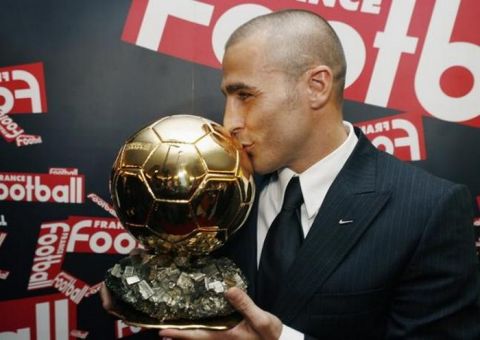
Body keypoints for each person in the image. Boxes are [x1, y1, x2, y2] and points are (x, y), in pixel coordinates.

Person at [104, 9, 480, 339]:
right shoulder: (218, 192)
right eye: (227, 97)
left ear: (316, 87)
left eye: (245, 96)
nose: (228, 122)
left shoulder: (428, 210)